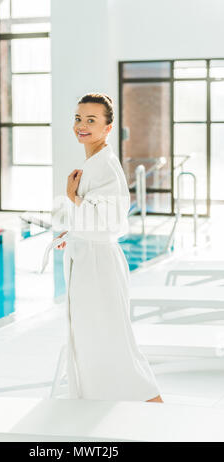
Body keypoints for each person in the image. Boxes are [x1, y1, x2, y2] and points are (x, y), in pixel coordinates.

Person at [55, 92, 163, 403]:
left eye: (91, 120)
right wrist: (71, 228)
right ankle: (100, 404)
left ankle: (153, 406)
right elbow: (95, 218)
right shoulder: (94, 162)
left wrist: (73, 197)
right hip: (91, 262)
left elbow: (111, 222)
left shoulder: (106, 165)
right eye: (78, 118)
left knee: (112, 339)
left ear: (108, 127)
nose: (81, 125)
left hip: (99, 266)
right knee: (94, 339)